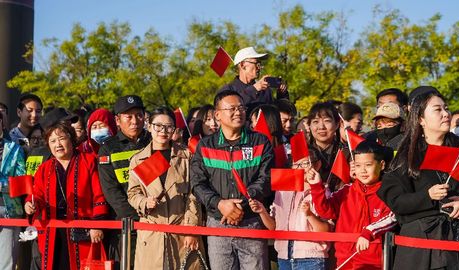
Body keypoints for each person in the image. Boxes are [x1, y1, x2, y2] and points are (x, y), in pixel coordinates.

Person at [377, 90, 459, 269]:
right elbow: (395, 200)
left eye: (446, 108)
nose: (445, 114)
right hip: (420, 246)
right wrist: (427, 196)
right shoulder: (407, 154)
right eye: (437, 110)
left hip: (457, 242)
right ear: (421, 119)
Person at [190, 90, 274, 270]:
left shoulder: (260, 142)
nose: (238, 112)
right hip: (218, 223)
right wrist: (220, 204)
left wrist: (239, 206)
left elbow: (265, 179)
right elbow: (197, 183)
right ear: (217, 114)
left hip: (251, 222)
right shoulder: (205, 146)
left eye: (241, 108)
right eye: (232, 108)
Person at [24, 122, 108, 270]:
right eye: (53, 141)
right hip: (53, 233)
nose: (58, 144)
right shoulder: (45, 168)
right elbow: (37, 196)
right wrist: (31, 205)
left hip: (83, 232)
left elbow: (99, 196)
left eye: (62, 138)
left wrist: (97, 225)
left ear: (71, 139)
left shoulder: (88, 161)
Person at [128, 107, 204, 269]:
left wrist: (191, 229)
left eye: (168, 127)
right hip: (151, 232)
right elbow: (133, 193)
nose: (163, 131)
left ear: (174, 129)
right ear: (149, 126)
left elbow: (194, 193)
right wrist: (144, 202)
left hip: (182, 230)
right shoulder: (138, 159)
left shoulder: (186, 156)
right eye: (158, 126)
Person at [309, 140, 397, 269]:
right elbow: (326, 211)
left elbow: (392, 218)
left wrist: (369, 232)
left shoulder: (388, 192)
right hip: (344, 260)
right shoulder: (347, 190)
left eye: (368, 165)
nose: (363, 170)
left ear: (382, 165)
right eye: (358, 165)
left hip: (373, 262)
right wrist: (316, 186)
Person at [249, 149, 332, 270]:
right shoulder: (282, 191)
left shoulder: (323, 192)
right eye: (296, 164)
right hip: (284, 257)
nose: (300, 168)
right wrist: (262, 211)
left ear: (317, 165)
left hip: (311, 258)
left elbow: (325, 231)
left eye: (305, 164)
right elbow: (274, 227)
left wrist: (309, 215)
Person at [97, 95, 151, 267]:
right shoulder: (108, 148)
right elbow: (111, 191)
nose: (134, 121)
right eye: (128, 117)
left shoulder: (154, 141)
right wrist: (137, 217)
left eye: (139, 115)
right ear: (117, 120)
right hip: (126, 226)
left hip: (156, 220)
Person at [219, 47, 289, 115]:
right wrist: (254, 89)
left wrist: (282, 95)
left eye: (260, 64)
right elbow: (232, 109)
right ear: (243, 65)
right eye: (256, 63)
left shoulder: (265, 91)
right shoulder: (228, 89)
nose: (259, 67)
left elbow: (277, 115)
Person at [0, 111, 26, 270]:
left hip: (9, 209)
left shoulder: (15, 149)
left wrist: (2, 185)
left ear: (2, 124)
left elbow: (21, 180)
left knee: (7, 262)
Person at [307, 102, 345, 192]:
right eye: (315, 122)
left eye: (327, 121)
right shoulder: (302, 153)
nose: (321, 127)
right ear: (309, 126)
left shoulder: (346, 152)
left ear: (336, 124)